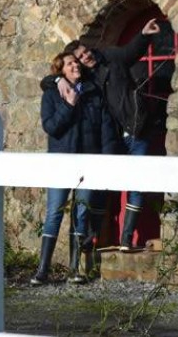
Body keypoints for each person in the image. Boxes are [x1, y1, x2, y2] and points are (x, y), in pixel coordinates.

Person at [41, 18, 161, 251]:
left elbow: (131, 51)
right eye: (80, 57)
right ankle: (94, 238)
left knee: (137, 183)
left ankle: (126, 239)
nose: (86, 56)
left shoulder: (111, 58)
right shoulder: (84, 80)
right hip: (112, 138)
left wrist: (144, 35)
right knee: (103, 188)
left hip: (135, 130)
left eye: (86, 51)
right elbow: (50, 80)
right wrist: (56, 79)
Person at [31, 52, 118, 286]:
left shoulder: (92, 92)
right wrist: (69, 105)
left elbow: (105, 129)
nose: (75, 65)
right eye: (70, 64)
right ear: (61, 70)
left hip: (87, 163)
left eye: (76, 62)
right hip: (60, 162)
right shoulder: (51, 95)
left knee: (81, 213)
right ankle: (42, 270)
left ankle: (75, 269)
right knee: (55, 212)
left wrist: (106, 160)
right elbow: (51, 127)